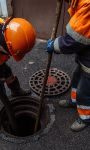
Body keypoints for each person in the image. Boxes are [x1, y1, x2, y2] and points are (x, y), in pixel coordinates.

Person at [46, 0, 90, 132]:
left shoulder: (87, 5)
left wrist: (54, 45)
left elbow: (74, 39)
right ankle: (74, 101)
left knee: (85, 90)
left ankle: (85, 117)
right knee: (76, 78)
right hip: (87, 56)